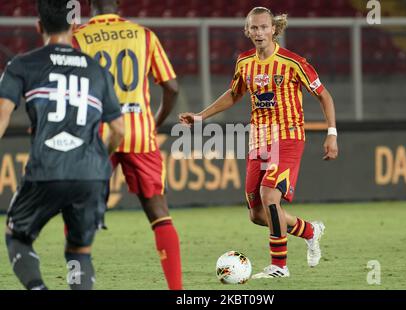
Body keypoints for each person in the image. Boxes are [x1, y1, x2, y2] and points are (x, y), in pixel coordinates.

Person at [179, 7, 338, 279]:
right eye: (253, 28)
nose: (259, 32)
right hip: (258, 141)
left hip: (288, 137)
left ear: (274, 29)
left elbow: (324, 96)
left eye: (264, 27)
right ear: (247, 31)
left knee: (269, 196)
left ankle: (279, 266)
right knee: (257, 214)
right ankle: (310, 231)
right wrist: (201, 116)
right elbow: (234, 94)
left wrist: (331, 132)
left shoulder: (294, 62)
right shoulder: (244, 62)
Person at [0, 0, 124, 290]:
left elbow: (2, 115)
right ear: (73, 27)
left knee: (17, 236)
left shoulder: (22, 65)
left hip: (47, 169)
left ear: (39, 27)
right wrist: (99, 158)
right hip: (91, 174)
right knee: (79, 250)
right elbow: (119, 130)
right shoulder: (97, 70)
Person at [72, 0, 182, 289]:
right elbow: (171, 86)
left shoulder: (78, 37)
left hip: (96, 135)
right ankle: (177, 291)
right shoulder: (144, 35)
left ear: (91, 4)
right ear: (118, 3)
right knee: (159, 212)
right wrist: (154, 121)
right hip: (140, 133)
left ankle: (78, 281)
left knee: (77, 211)